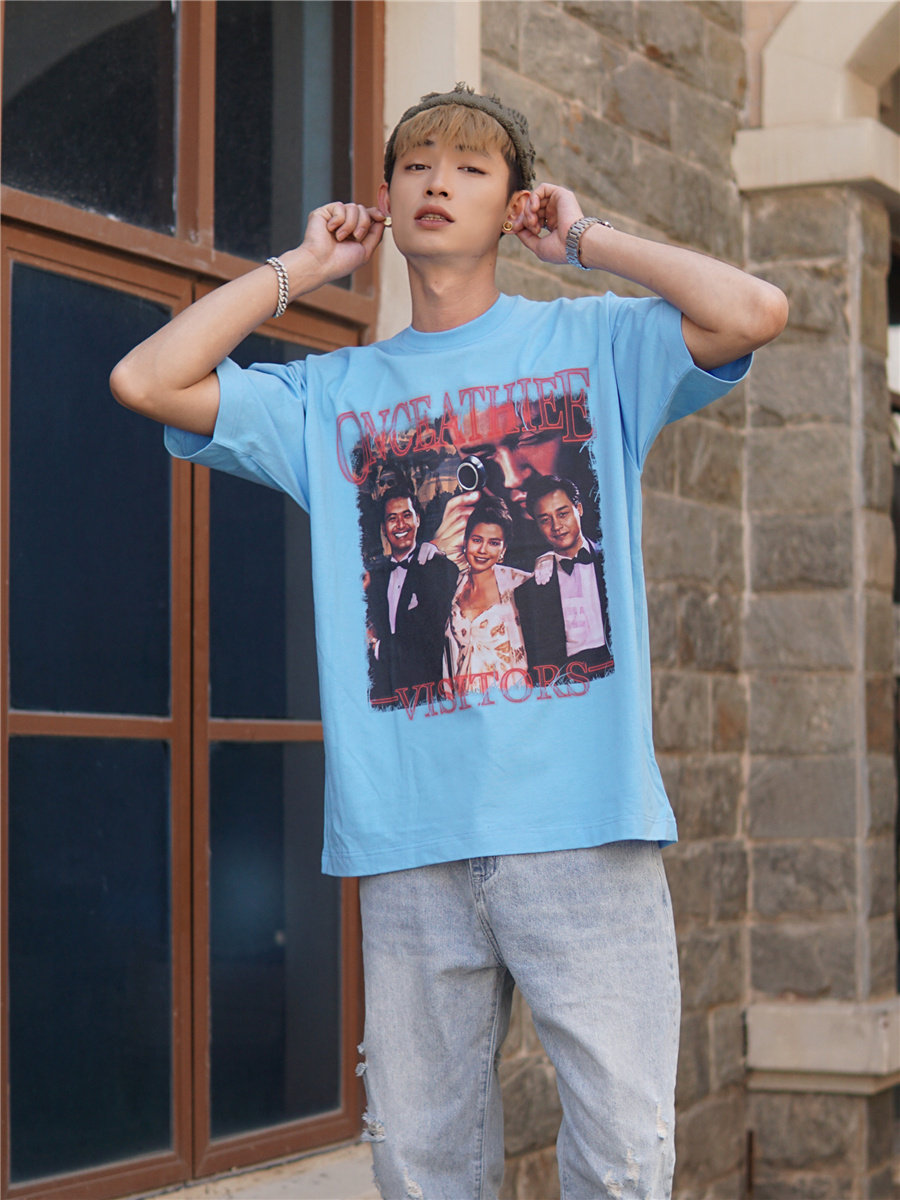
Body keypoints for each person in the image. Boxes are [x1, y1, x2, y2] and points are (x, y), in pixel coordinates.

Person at [110, 83, 788, 1199]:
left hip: (582, 827)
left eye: (473, 168)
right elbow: (147, 379)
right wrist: (300, 270)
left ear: (515, 204)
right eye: (417, 164)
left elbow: (753, 310)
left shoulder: (593, 344)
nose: (439, 182)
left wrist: (586, 239)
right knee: (423, 1171)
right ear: (384, 198)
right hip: (408, 839)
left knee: (624, 1162)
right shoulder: (334, 397)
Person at [365, 485, 459, 705]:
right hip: (384, 695)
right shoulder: (374, 578)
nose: (400, 525)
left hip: (426, 695)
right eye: (392, 518)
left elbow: (429, 636)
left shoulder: (436, 567)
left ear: (418, 519)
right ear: (383, 527)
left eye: (407, 515)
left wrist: (377, 647)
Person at [516, 473, 613, 680]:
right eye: (545, 520)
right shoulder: (532, 588)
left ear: (579, 509)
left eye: (562, 514)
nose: (556, 526)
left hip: (614, 671)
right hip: (566, 682)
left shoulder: (611, 562)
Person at [443, 495, 528, 688]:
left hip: (511, 694)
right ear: (465, 542)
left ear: (503, 550)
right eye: (477, 540)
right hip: (465, 697)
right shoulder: (453, 587)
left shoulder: (520, 583)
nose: (482, 550)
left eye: (494, 543)